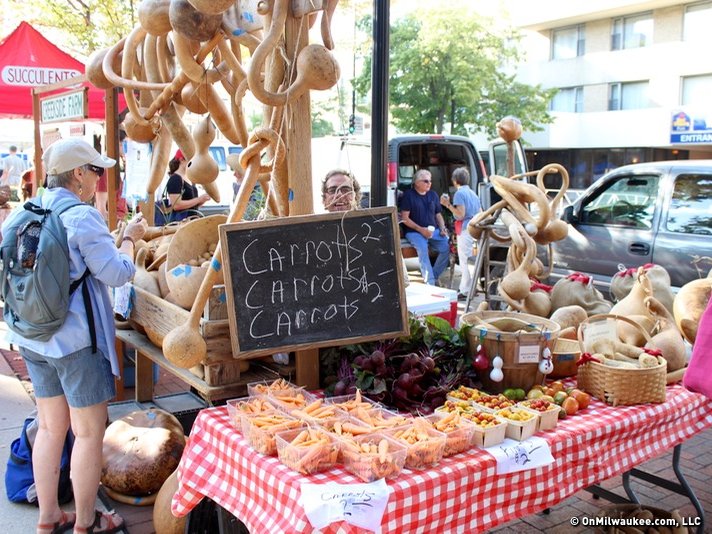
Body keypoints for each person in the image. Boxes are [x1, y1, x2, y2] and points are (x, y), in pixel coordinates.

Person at [1, 138, 148, 534]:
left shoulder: (25, 210)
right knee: (87, 432)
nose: (99, 180)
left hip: (33, 337)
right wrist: (131, 240)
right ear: (78, 174)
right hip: (76, 343)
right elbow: (117, 273)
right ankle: (87, 521)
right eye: (96, 171)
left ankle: (49, 516)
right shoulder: (82, 217)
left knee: (50, 428)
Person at [399, 169, 450, 286]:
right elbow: (404, 218)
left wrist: (442, 228)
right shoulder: (408, 195)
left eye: (430, 181)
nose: (429, 184)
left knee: (446, 248)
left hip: (434, 231)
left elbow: (438, 214)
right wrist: (421, 230)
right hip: (414, 231)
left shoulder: (433, 194)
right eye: (426, 181)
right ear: (417, 182)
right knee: (423, 250)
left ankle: (434, 275)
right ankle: (430, 283)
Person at [440, 167, 482, 298]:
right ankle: (472, 287)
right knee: (473, 259)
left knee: (464, 260)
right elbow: (481, 212)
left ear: (455, 181)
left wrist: (447, 205)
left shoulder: (459, 194)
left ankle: (465, 290)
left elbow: (460, 214)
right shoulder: (473, 193)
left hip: (465, 230)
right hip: (475, 228)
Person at [158, 149, 210, 224]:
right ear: (181, 160)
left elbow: (191, 204)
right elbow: (176, 205)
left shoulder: (189, 178)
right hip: (181, 224)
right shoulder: (175, 179)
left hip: (190, 222)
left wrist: (202, 200)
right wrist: (198, 199)